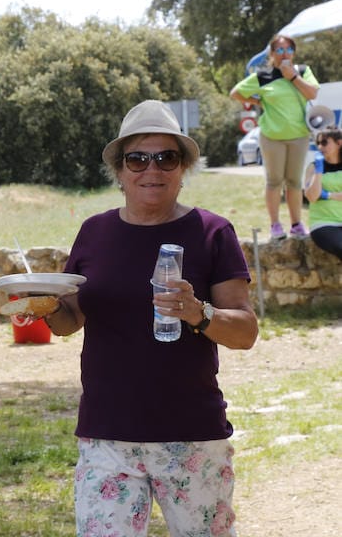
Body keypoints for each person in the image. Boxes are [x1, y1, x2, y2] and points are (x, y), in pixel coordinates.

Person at [42, 101, 259, 536]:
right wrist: (43, 305)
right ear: (119, 172)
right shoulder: (94, 232)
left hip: (191, 434)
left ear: (183, 168)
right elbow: (68, 321)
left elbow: (245, 332)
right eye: (137, 158)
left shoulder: (212, 232)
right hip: (107, 434)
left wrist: (200, 313)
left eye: (167, 157)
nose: (152, 169)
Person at [230, 34, 320, 240]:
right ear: (272, 54)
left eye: (288, 49)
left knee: (295, 182)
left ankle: (297, 224)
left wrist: (293, 77)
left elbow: (312, 94)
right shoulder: (264, 75)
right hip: (272, 137)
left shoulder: (303, 71)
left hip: (299, 136)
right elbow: (236, 93)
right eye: (279, 50)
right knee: (274, 181)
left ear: (294, 52)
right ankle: (275, 226)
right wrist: (259, 102)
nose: (284, 53)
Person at [304, 125, 342, 259]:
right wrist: (319, 171)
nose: (320, 147)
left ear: (339, 143)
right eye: (318, 143)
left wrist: (326, 195)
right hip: (324, 224)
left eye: (325, 142)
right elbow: (312, 196)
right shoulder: (313, 167)